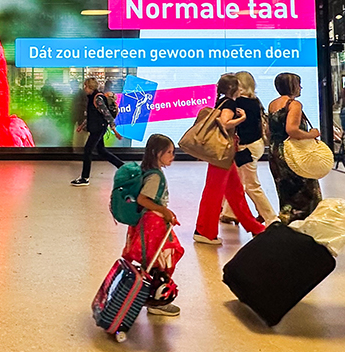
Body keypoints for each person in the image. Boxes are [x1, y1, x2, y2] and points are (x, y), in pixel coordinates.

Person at [193, 74, 266, 245]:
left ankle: (254, 226)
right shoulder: (231, 104)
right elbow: (224, 122)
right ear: (234, 89)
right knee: (215, 191)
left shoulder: (221, 102)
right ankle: (205, 231)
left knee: (234, 191)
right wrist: (241, 119)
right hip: (224, 151)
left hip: (223, 152)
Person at [121, 134, 184, 316]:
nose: (173, 156)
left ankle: (149, 296)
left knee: (152, 262)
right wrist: (164, 211)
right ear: (157, 153)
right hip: (153, 225)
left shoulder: (147, 170)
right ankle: (157, 301)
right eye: (169, 152)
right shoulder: (155, 176)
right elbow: (143, 199)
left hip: (146, 224)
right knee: (160, 261)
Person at [221, 71, 278, 226]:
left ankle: (271, 217)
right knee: (237, 179)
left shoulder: (237, 103)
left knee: (251, 184)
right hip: (256, 144)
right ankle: (229, 212)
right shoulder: (255, 101)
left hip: (245, 147)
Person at [267, 72, 323, 223]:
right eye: (299, 84)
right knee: (306, 192)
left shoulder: (273, 104)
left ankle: (287, 222)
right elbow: (292, 129)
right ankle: (305, 226)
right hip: (293, 152)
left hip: (275, 151)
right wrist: (312, 134)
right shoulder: (294, 105)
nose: (301, 88)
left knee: (285, 191)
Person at [71, 78, 124, 186]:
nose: (84, 88)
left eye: (85, 86)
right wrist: (82, 125)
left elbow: (106, 114)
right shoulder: (92, 98)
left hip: (98, 129)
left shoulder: (97, 98)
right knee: (101, 151)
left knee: (88, 150)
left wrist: (114, 130)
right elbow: (93, 115)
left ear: (89, 87)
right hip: (97, 127)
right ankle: (122, 166)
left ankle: (85, 178)